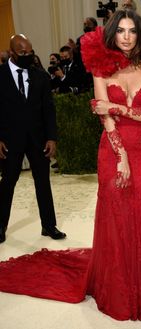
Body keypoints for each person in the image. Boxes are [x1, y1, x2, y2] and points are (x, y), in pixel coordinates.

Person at [0, 11, 141, 322]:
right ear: (112, 34)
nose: (126, 36)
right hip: (113, 148)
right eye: (121, 31)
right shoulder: (101, 67)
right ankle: (120, 287)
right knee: (117, 216)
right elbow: (106, 121)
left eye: (132, 31)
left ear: (140, 35)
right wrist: (120, 155)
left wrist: (114, 106)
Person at [0, 34, 66, 243]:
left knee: (43, 182)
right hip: (9, 140)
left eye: (30, 52)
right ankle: (0, 226)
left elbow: (49, 110)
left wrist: (52, 138)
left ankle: (48, 225)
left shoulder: (40, 76)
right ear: (12, 53)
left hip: (38, 139)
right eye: (23, 53)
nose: (28, 56)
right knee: (8, 182)